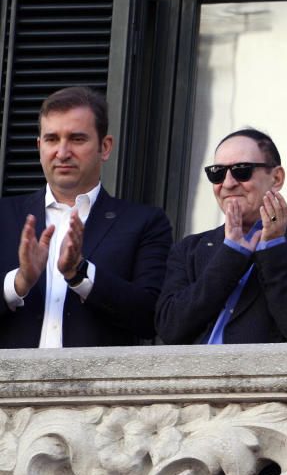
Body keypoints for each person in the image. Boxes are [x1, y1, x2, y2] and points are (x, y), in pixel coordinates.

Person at [0, 86, 173, 348]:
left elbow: (151, 317)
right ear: (39, 146)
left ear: (105, 147)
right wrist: (19, 282)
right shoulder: (4, 216)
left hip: (97, 387)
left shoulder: (144, 223)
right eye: (51, 139)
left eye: (77, 139)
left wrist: (80, 274)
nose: (62, 152)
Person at [155, 128, 287, 344]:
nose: (228, 183)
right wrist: (230, 254)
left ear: (276, 178)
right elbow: (170, 329)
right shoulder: (189, 248)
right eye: (217, 172)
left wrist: (273, 248)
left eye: (241, 170)